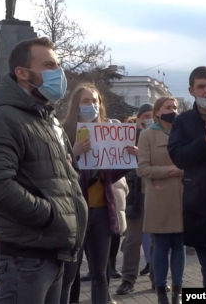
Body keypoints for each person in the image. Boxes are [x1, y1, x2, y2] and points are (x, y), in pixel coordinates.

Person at [0, 37, 87, 304]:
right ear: (23, 73)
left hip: (52, 251)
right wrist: (50, 215)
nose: (58, 73)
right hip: (26, 257)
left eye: (58, 65)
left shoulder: (45, 118)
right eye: (49, 65)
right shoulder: (4, 117)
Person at [60, 83, 134, 304]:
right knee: (69, 274)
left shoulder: (107, 133)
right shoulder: (64, 132)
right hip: (75, 213)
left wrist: (128, 160)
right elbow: (57, 173)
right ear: (76, 105)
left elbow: (108, 176)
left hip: (102, 211)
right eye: (85, 101)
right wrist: (74, 152)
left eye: (95, 101)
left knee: (100, 274)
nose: (91, 105)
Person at [168, 66, 206, 289]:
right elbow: (179, 157)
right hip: (200, 208)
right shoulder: (183, 122)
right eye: (201, 87)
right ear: (192, 91)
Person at [138, 96, 185, 304]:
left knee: (179, 246)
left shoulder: (183, 132)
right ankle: (160, 291)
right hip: (158, 198)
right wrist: (169, 171)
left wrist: (183, 170)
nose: (172, 110)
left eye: (175, 107)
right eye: (168, 107)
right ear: (158, 111)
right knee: (161, 246)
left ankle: (177, 290)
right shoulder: (148, 135)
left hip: (182, 196)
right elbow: (142, 169)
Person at [116, 103, 154, 296]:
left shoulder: (160, 134)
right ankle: (128, 279)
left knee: (157, 239)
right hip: (136, 196)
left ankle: (158, 277)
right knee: (132, 240)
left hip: (156, 194)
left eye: (152, 115)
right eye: (145, 115)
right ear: (138, 118)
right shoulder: (129, 136)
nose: (149, 119)